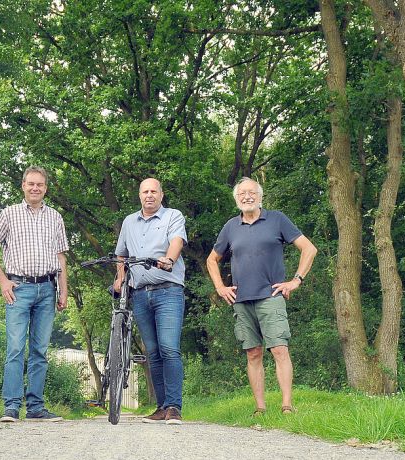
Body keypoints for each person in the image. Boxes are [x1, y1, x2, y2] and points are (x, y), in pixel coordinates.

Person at [206, 177, 317, 415]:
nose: (247, 197)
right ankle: (260, 408)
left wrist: (296, 280)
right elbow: (212, 259)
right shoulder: (230, 227)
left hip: (271, 296)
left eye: (251, 192)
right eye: (242, 194)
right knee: (253, 353)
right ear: (236, 199)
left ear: (260, 196)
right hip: (241, 299)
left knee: (279, 349)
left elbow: (309, 249)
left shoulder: (277, 219)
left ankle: (287, 406)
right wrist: (220, 287)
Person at [0, 166, 69, 422]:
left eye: (40, 185)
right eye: (31, 184)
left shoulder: (55, 217)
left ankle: (35, 408)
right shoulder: (9, 214)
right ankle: (11, 406)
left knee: (40, 351)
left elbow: (61, 256)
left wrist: (63, 290)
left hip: (47, 289)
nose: (35, 188)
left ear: (46, 188)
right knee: (15, 349)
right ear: (23, 185)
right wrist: (3, 282)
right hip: (18, 289)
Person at [114, 178, 188, 425]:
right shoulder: (129, 222)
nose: (149, 195)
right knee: (153, 352)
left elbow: (176, 241)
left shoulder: (173, 216)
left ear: (161, 194)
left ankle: (175, 407)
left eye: (153, 191)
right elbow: (121, 255)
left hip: (168, 291)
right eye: (145, 191)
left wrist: (169, 259)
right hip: (140, 294)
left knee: (169, 348)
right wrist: (120, 277)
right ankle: (161, 406)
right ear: (139, 195)